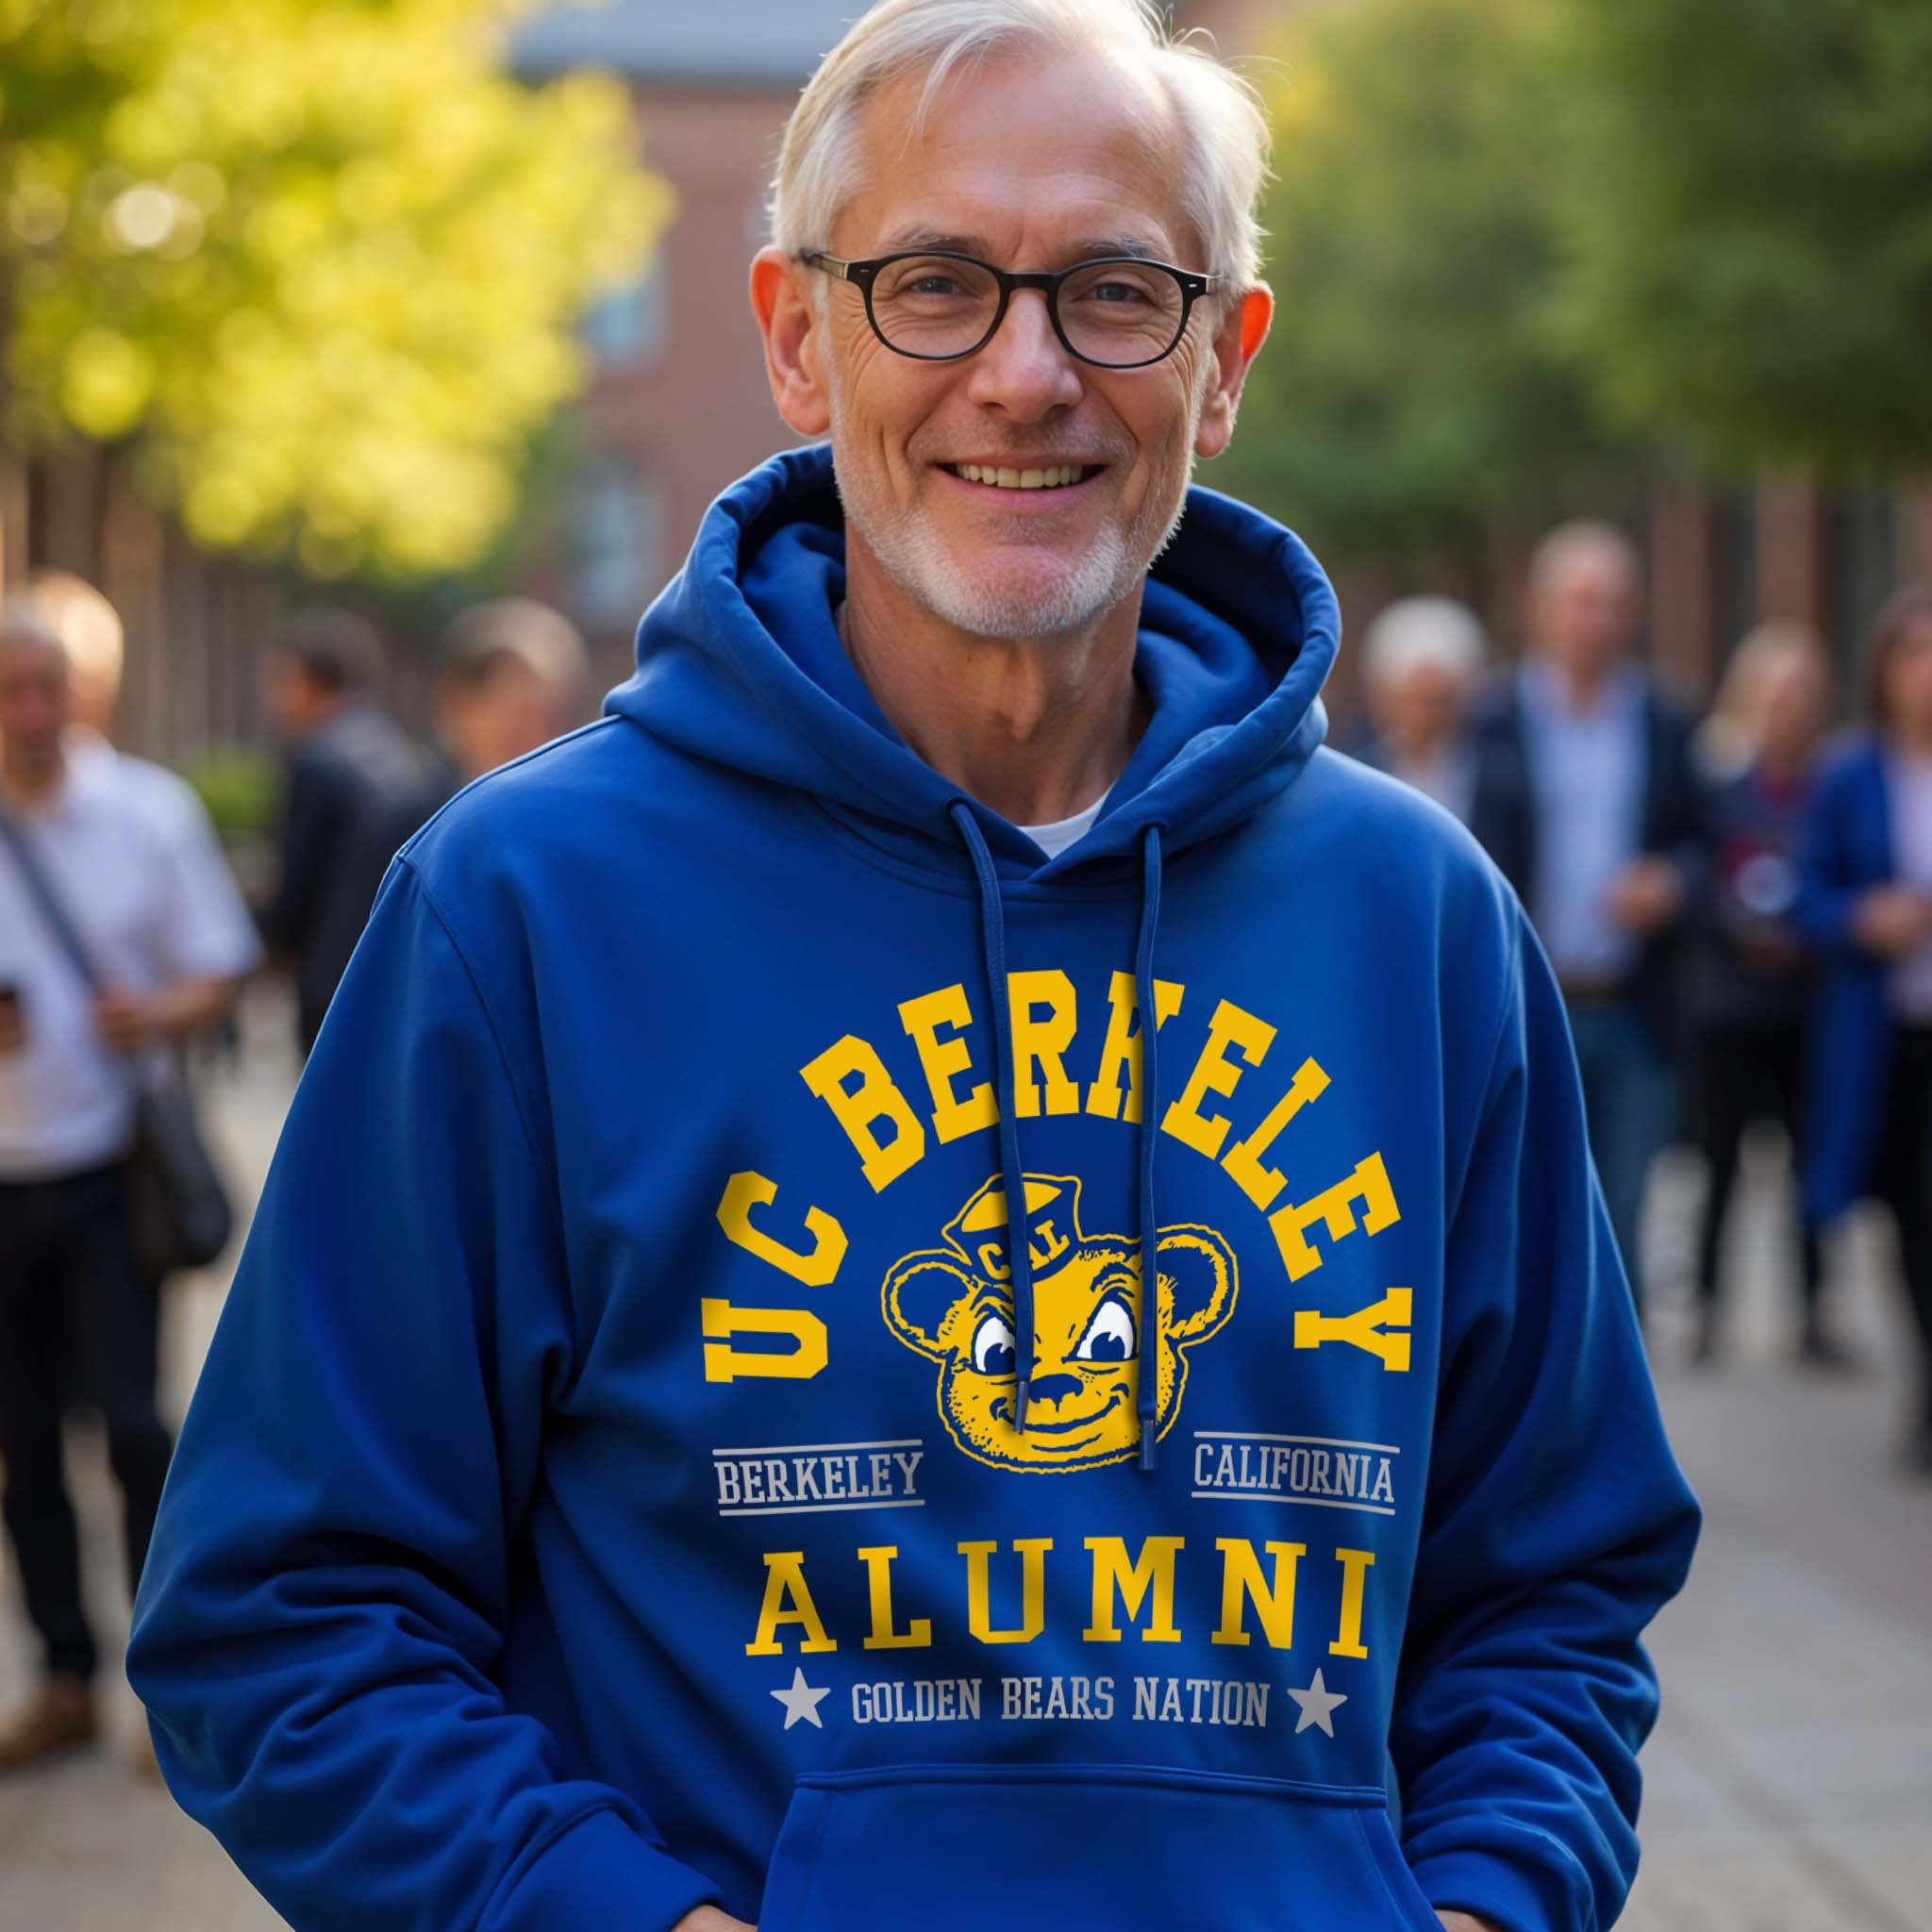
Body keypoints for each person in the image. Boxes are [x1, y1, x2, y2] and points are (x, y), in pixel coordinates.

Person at [126, 4, 1700, 1929]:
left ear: (1221, 365)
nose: (1024, 375)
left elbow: (1550, 1584)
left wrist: (1476, 1905)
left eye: (1117, 291)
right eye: (934, 285)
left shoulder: (1419, 919)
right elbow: (280, 1619)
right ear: (796, 337)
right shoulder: (522, 907)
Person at [0, 599, 258, 1772]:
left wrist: (146, 1014)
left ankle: (168, 1682)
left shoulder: (146, 813)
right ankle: (63, 1673)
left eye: (44, 688)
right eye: (9, 691)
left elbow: (222, 969)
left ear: (77, 693)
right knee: (21, 1440)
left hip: (111, 1172)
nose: (30, 714)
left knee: (139, 1425)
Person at [1467, 524, 1708, 1316]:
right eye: (1577, 601)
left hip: (1636, 1006)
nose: (1592, 620)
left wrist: (1672, 880)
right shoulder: (1493, 719)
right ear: (1539, 608)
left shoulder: (1668, 721)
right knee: (1529, 1208)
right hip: (1532, 1004)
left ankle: (1616, 1407)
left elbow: (1708, 845)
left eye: (1608, 603)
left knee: (1627, 1207)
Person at [1798, 583, 1932, 1474]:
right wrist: (1861, 916)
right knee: (1907, 1217)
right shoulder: (1850, 774)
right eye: (1913, 655)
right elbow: (1802, 896)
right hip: (1887, 1037)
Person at [1685, 623, 1843, 1368]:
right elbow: (1696, 870)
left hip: (1806, 1006)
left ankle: (1814, 1309)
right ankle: (1706, 1307)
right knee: (1720, 1165)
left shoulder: (1830, 787)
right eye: (1778, 693)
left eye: (1804, 695)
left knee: (1813, 1160)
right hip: (1730, 1007)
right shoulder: (1718, 780)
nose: (1790, 708)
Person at [255, 608, 445, 1054]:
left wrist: (264, 953)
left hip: (333, 988)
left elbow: (295, 889)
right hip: (402, 977)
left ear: (313, 683)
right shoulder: (407, 754)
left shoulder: (317, 762)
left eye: (282, 681)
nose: (273, 698)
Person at [432, 596, 592, 791]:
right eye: (521, 716)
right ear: (459, 706)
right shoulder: (403, 812)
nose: (535, 738)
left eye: (550, 720)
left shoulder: (565, 809)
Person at [1353, 595, 1489, 824]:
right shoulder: (1355, 775)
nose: (1423, 718)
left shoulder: (1497, 780)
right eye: (1412, 699)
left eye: (1437, 701)